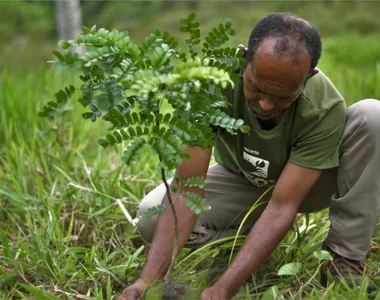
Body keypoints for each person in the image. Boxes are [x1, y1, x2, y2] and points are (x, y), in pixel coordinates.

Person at [120, 13, 380, 299]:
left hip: (309, 187)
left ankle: (343, 259)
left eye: (284, 96)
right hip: (244, 179)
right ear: (244, 60)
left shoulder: (323, 107)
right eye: (256, 88)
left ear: (309, 78)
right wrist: (145, 282)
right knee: (150, 216)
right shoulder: (211, 81)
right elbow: (187, 188)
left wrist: (222, 289)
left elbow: (283, 206)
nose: (266, 103)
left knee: (373, 115)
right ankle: (253, 246)